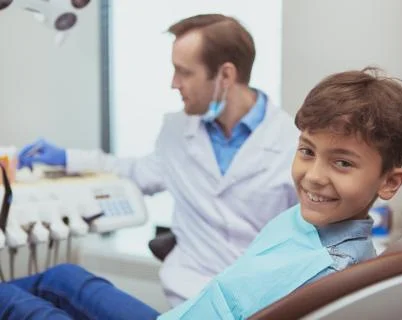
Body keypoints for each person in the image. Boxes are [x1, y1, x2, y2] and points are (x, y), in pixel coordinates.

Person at [0, 67, 402, 319]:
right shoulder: (312, 219)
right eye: (306, 151)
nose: (313, 176)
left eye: (343, 163)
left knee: (9, 300)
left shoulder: (329, 274)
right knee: (63, 276)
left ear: (389, 181)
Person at [16, 14, 299, 305]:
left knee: (24, 298)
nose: (174, 84)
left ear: (225, 76)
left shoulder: (294, 145)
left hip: (257, 305)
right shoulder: (177, 131)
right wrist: (68, 158)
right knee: (61, 277)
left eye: (184, 72)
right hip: (188, 300)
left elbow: (308, 247)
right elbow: (135, 172)